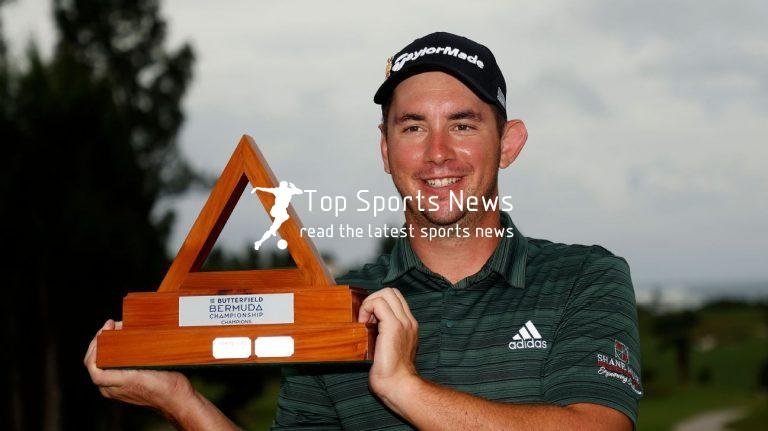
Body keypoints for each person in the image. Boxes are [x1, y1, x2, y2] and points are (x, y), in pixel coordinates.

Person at [85, 31, 643, 430]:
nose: (437, 153)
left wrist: (403, 386)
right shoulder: (335, 309)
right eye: (412, 126)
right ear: (385, 149)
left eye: (463, 124)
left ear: (510, 142)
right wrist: (181, 401)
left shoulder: (585, 278)